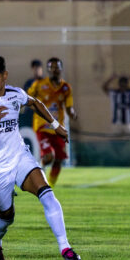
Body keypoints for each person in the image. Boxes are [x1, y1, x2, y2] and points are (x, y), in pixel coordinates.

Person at [0, 55, 80, 260]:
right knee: (6, 218)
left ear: (5, 76)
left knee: (47, 194)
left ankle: (65, 248)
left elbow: (34, 103)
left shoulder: (15, 94)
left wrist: (55, 125)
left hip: (19, 157)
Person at [27, 57, 77, 188]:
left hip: (57, 128)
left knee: (59, 159)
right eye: (52, 68)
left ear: (61, 69)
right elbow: (27, 98)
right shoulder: (39, 84)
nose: (55, 70)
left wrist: (72, 114)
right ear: (48, 70)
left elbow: (69, 107)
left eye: (57, 67)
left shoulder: (66, 88)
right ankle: (39, 172)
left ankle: (51, 186)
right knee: (49, 156)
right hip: (42, 126)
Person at [102, 74, 130, 141]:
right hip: (117, 123)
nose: (123, 86)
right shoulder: (114, 93)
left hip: (129, 123)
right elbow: (104, 87)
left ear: (127, 85)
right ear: (119, 85)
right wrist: (111, 78)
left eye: (124, 84)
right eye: (121, 84)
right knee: (113, 142)